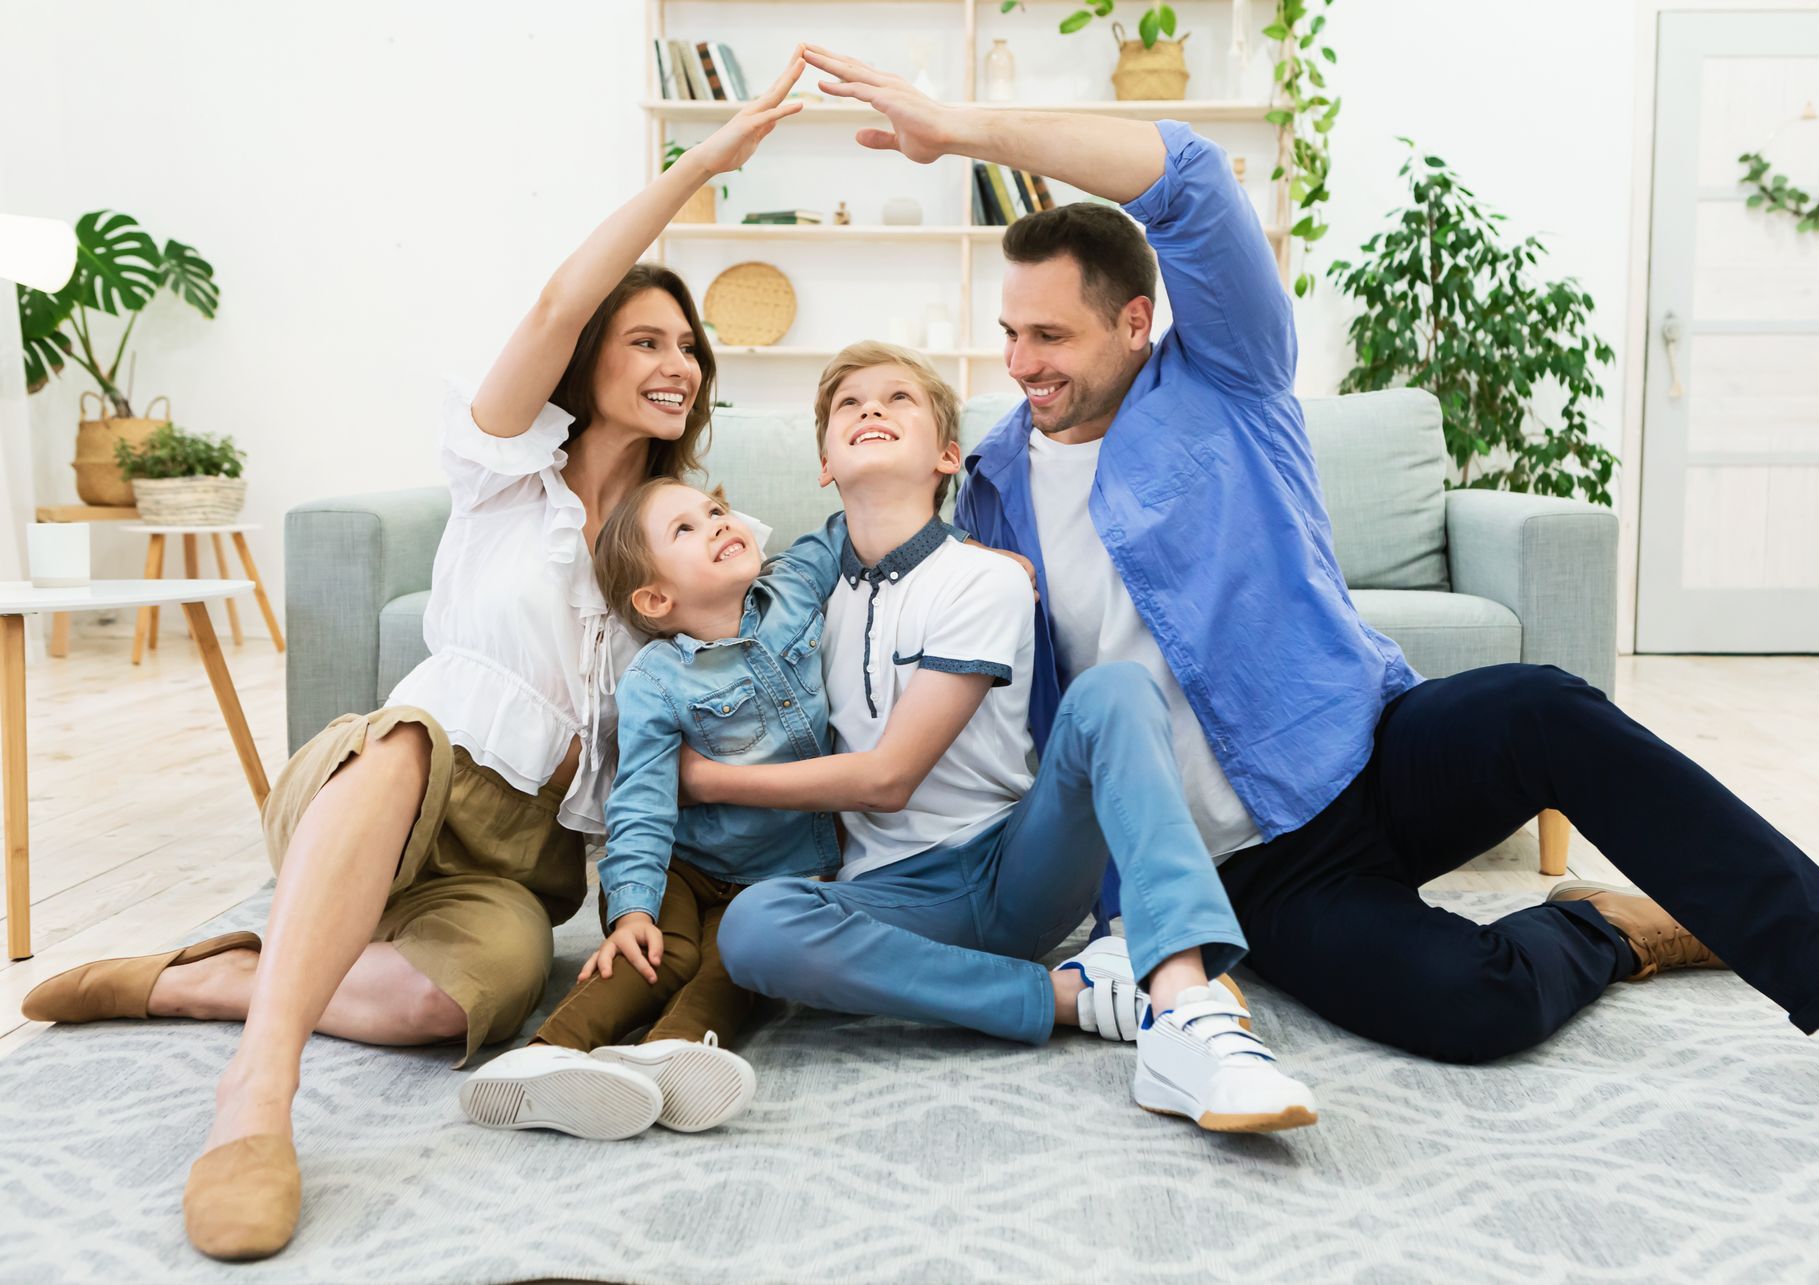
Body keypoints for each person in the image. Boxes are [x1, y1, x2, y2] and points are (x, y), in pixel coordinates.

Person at [794, 45, 1819, 1156]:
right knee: (1467, 1008)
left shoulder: (1228, 373)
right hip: (1247, 870)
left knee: (1548, 710)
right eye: (1009, 335)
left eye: (1050, 335)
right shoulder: (985, 484)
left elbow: (1184, 175)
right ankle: (1605, 925)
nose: (1023, 361)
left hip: (1369, 751)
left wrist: (965, 130)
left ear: (1138, 323)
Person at [19, 53, 811, 1260]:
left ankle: (198, 977)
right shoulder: (504, 475)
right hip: (394, 778)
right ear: (589, 355)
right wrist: (705, 165)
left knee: (451, 1005)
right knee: (403, 742)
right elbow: (554, 302)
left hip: (522, 856)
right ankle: (255, 1100)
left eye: (690, 349)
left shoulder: (674, 541)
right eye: (646, 338)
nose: (678, 364)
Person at [694, 341, 1319, 1134]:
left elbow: (890, 778)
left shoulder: (985, 577)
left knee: (1117, 688)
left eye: (898, 400)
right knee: (755, 925)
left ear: (947, 455)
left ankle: (1185, 1009)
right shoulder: (802, 600)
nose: (871, 411)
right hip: (892, 894)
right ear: (824, 460)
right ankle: (1069, 997)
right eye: (848, 406)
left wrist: (708, 779)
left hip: (1014, 865)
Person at [456, 479, 858, 1140]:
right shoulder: (654, 679)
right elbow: (641, 799)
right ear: (655, 599)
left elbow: (861, 524)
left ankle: (674, 1056)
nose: (719, 524)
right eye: (686, 530)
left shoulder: (794, 590)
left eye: (717, 511)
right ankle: (542, 1060)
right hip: (678, 866)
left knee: (734, 962)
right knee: (658, 953)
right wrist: (634, 906)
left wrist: (976, 549)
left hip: (774, 877)